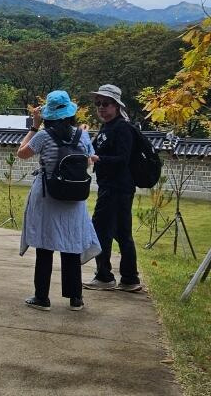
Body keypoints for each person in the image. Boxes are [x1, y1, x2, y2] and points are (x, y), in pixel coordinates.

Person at [16, 90, 101, 311]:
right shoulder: (82, 136)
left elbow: (21, 153)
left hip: (48, 195)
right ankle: (75, 298)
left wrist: (34, 127)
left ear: (49, 115)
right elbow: (90, 161)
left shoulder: (44, 136)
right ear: (70, 113)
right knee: (71, 244)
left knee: (45, 245)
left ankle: (42, 297)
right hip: (74, 196)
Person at [83, 84, 142, 292]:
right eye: (97, 103)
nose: (101, 107)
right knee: (121, 232)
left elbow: (123, 159)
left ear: (116, 106)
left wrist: (99, 159)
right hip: (112, 187)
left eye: (106, 103)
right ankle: (129, 279)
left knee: (101, 230)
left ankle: (105, 276)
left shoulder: (122, 128)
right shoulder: (107, 127)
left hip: (117, 188)